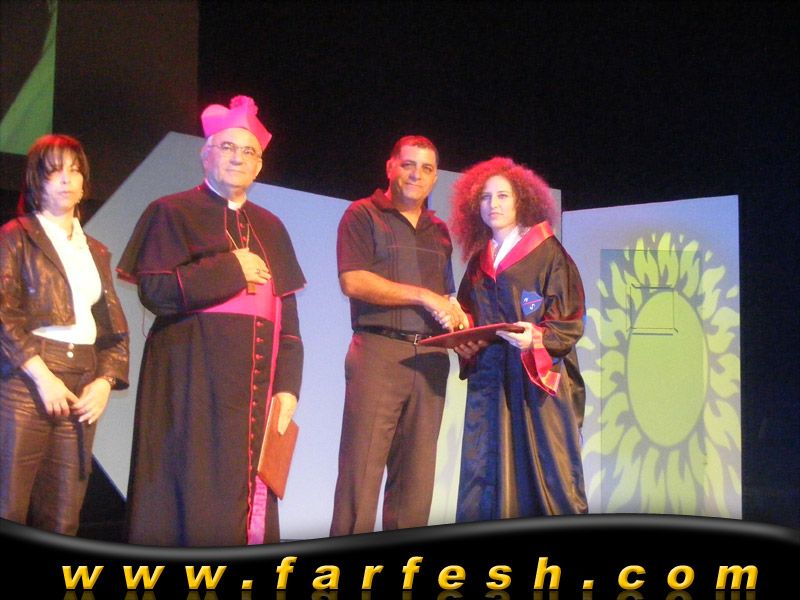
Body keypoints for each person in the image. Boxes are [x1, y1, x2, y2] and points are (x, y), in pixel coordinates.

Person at [117, 95, 305, 546]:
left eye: (248, 151)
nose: (238, 158)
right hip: (190, 386)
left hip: (255, 395)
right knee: (188, 496)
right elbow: (155, 292)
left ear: (259, 166)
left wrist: (288, 387)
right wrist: (230, 269)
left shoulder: (272, 226)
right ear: (206, 155)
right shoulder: (170, 211)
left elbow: (289, 321)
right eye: (227, 147)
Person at [330, 135, 467, 536]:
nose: (416, 175)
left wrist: (457, 313)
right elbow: (353, 281)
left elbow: (446, 295)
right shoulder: (362, 214)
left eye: (426, 168)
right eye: (408, 165)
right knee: (360, 476)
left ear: (435, 177)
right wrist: (423, 296)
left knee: (416, 484)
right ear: (390, 167)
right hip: (379, 353)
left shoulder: (439, 230)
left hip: (431, 359)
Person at [0, 134, 129, 535]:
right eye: (55, 171)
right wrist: (42, 377)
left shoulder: (95, 250)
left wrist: (105, 383)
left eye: (74, 171)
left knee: (63, 514)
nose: (66, 179)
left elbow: (113, 330)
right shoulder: (15, 236)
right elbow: (3, 312)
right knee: (9, 502)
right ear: (36, 180)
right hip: (27, 380)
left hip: (81, 383)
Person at [448, 156, 587, 521]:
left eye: (502, 196)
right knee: (487, 472)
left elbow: (570, 319)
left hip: (537, 383)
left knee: (549, 473)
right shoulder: (479, 262)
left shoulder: (549, 252)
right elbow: (468, 317)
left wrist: (538, 337)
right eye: (485, 197)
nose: (492, 204)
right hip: (491, 384)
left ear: (521, 200)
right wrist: (464, 338)